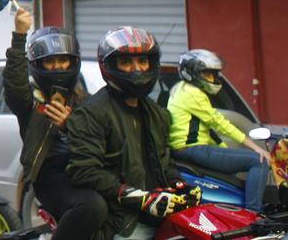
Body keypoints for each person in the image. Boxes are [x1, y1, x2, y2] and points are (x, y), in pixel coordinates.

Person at [67, 27, 198, 239]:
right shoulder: (91, 113)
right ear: (109, 66)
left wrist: (180, 184)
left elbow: (164, 163)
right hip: (123, 221)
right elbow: (84, 171)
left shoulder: (157, 113)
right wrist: (136, 196)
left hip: (161, 215)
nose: (137, 69)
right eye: (127, 63)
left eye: (142, 62)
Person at [3, 7, 106, 238]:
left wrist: (71, 125)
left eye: (63, 60)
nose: (58, 66)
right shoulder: (31, 102)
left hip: (87, 170)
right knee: (92, 207)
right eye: (51, 61)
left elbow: (101, 139)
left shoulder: (86, 101)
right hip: (51, 176)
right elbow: (15, 85)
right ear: (38, 64)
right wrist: (19, 36)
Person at [168, 49, 270, 212]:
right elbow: (219, 123)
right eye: (207, 74)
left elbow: (207, 129)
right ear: (191, 73)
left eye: (213, 75)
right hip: (193, 149)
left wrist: (224, 149)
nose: (212, 79)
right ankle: (254, 213)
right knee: (258, 161)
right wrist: (256, 148)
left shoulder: (181, 89)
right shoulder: (193, 93)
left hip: (188, 149)